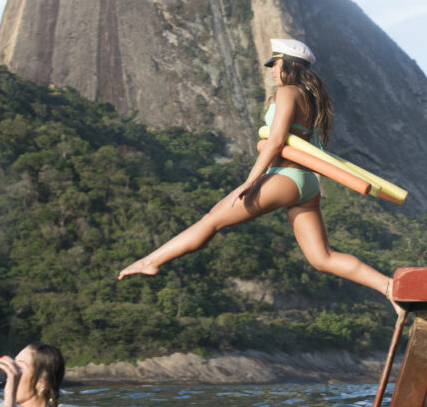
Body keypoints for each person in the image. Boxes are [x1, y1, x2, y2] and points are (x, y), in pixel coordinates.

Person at [118, 38, 403, 315]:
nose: (271, 70)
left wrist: (251, 179)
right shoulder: (313, 96)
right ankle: (389, 287)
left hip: (284, 177)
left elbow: (277, 140)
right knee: (322, 258)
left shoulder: (288, 92)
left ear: (287, 65)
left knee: (211, 220)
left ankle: (150, 261)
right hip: (307, 184)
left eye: (274, 64)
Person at [0, 343, 66, 407]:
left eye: (19, 368)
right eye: (14, 366)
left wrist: (9, 404)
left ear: (43, 383)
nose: (12, 375)